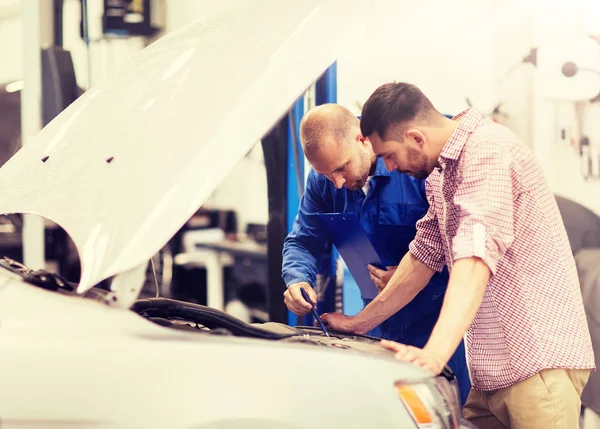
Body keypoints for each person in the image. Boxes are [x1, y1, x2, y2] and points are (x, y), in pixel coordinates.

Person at [321, 82, 595, 428]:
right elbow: (423, 256)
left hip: (537, 368)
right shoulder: (443, 173)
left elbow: (474, 257)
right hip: (493, 374)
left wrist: (434, 355)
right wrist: (360, 323)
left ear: (416, 137)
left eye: (389, 154)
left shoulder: (487, 151)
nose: (387, 168)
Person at [281, 103, 470, 404]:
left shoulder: (416, 167)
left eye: (341, 168)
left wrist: (413, 272)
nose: (338, 183)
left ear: (361, 138)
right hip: (376, 325)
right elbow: (303, 241)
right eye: (327, 174)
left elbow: (466, 250)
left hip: (437, 321)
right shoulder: (325, 181)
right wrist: (296, 280)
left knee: (443, 409)